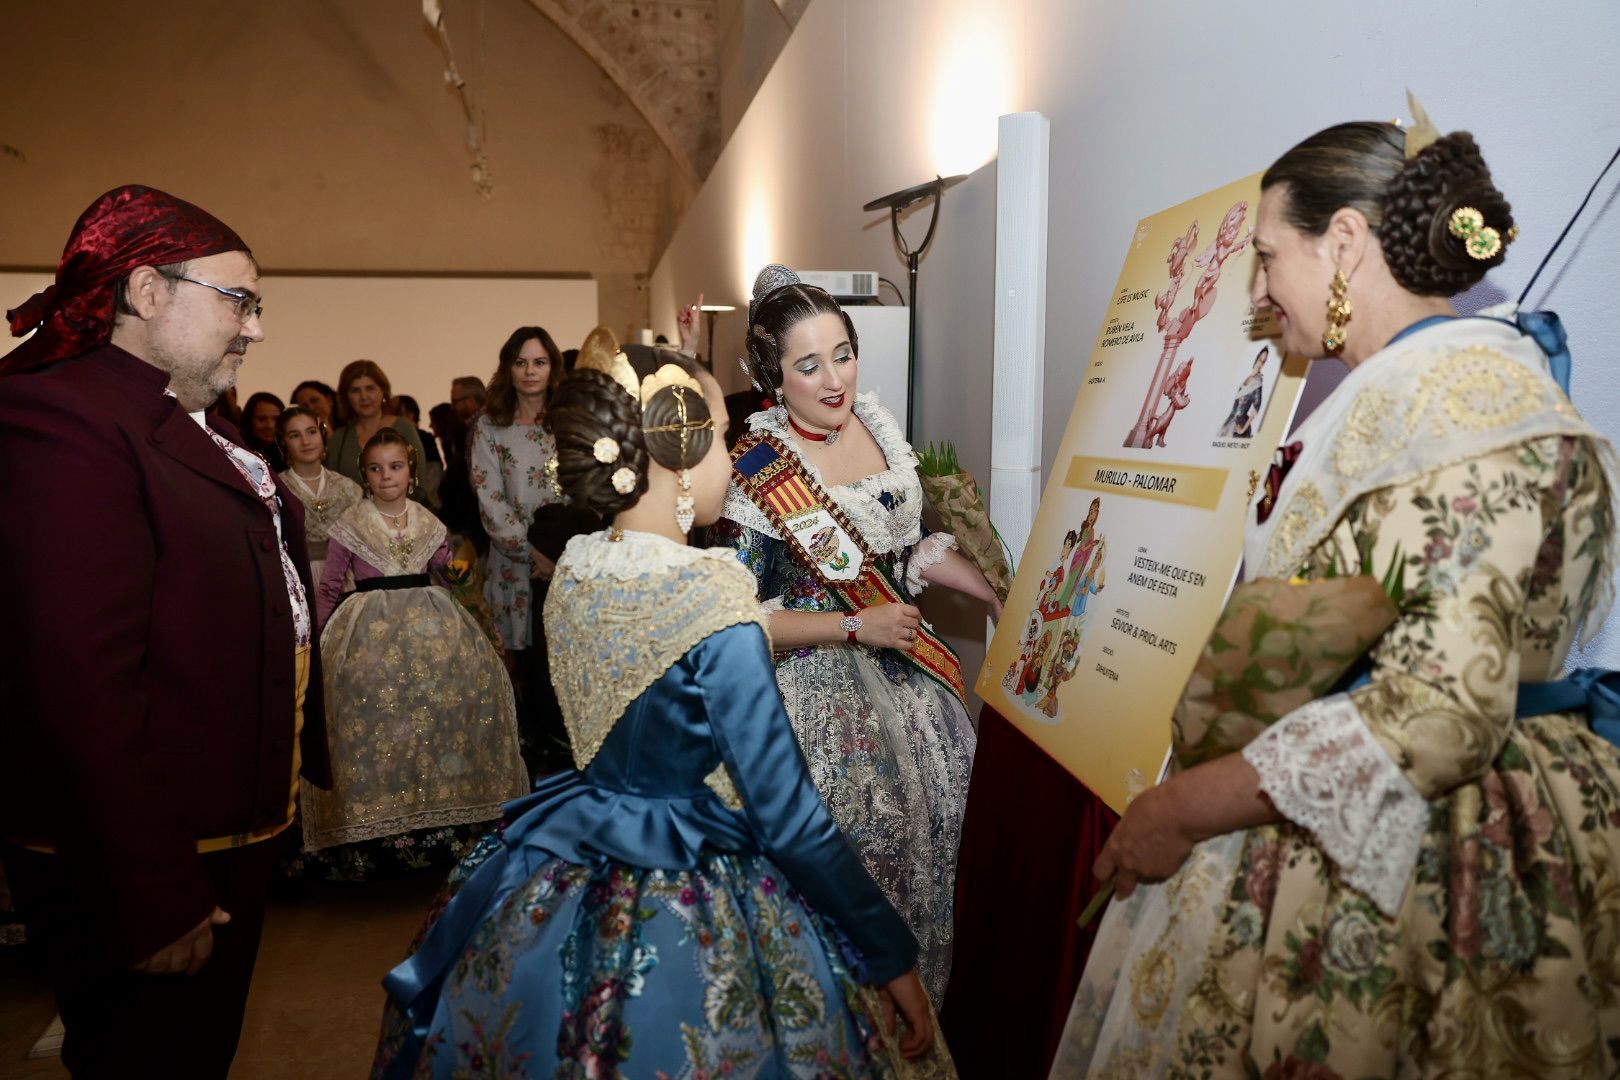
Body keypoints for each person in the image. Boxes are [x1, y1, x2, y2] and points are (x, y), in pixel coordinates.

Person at [1051, 115, 1620, 1077]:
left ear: (1346, 242)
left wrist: (1184, 807)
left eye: (1270, 257)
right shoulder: (1457, 390)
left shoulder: (1459, 409)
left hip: (1414, 871)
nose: (1263, 291)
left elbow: (1438, 709)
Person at [371, 332, 946, 1078]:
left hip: (567, 857)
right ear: (677, 453)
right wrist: (889, 951)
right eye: (720, 440)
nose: (734, 461)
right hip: (687, 894)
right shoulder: (715, 600)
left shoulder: (578, 566)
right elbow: (788, 814)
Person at [0, 184, 329, 1076]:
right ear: (147, 292)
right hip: (147, 854)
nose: (255, 329)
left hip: (223, 834)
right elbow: (80, 683)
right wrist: (149, 890)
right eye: (239, 301)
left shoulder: (192, 416)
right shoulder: (61, 418)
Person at [712, 265, 1000, 1003]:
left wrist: (999, 590)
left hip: (915, 685)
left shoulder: (875, 423)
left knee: (945, 858)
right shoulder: (757, 471)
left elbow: (905, 551)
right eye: (809, 365)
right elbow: (741, 618)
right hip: (819, 700)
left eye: (843, 352)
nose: (835, 378)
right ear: (773, 378)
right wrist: (853, 625)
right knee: (863, 867)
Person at [305, 428, 526, 881]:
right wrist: (318, 638)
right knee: (375, 716)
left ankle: (446, 819)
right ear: (365, 475)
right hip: (369, 631)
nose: (387, 476)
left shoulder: (428, 520)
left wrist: (476, 615)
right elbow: (330, 586)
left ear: (412, 473)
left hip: (432, 625)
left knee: (443, 709)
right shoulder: (351, 522)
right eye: (376, 468)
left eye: (396, 466)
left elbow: (447, 574)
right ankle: (375, 834)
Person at [469, 326, 566, 769]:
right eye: (521, 362)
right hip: (515, 568)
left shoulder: (568, 421)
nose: (530, 371)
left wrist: (564, 555)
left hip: (569, 564)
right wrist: (534, 556)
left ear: (552, 368)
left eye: (539, 362)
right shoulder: (490, 426)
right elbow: (490, 502)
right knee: (521, 680)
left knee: (564, 676)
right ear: (508, 367)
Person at [276, 404, 364, 584]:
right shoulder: (276, 489)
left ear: (322, 434)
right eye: (295, 435)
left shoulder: (349, 488)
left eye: (311, 432)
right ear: (284, 442)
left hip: (345, 577)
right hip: (296, 577)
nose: (306, 442)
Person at [326, 359, 430, 498]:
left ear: (383, 391)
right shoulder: (339, 438)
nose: (364, 397)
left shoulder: (403, 429)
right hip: (350, 518)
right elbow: (331, 489)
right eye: (355, 390)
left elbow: (419, 483)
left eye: (370, 388)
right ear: (346, 397)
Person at [1215, 344, 1271, 438]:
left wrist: (1242, 430)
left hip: (1240, 423)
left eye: (1264, 361)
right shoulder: (1247, 376)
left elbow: (1256, 408)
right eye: (1260, 359)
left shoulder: (1258, 382)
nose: (1261, 363)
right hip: (1230, 420)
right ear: (1257, 357)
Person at [241, 390, 286, 471]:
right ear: (249, 421)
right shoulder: (237, 452)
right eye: (262, 419)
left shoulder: (292, 452)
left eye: (276, 419)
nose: (270, 425)